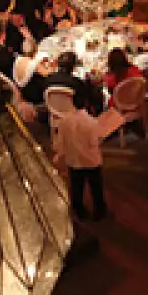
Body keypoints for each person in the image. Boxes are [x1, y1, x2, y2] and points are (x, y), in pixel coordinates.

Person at [53, 83, 107, 222]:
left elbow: (60, 142)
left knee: (77, 187)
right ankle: (99, 210)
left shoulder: (64, 121)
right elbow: (94, 142)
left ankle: (79, 210)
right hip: (91, 160)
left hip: (73, 160)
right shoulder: (91, 123)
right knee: (96, 187)